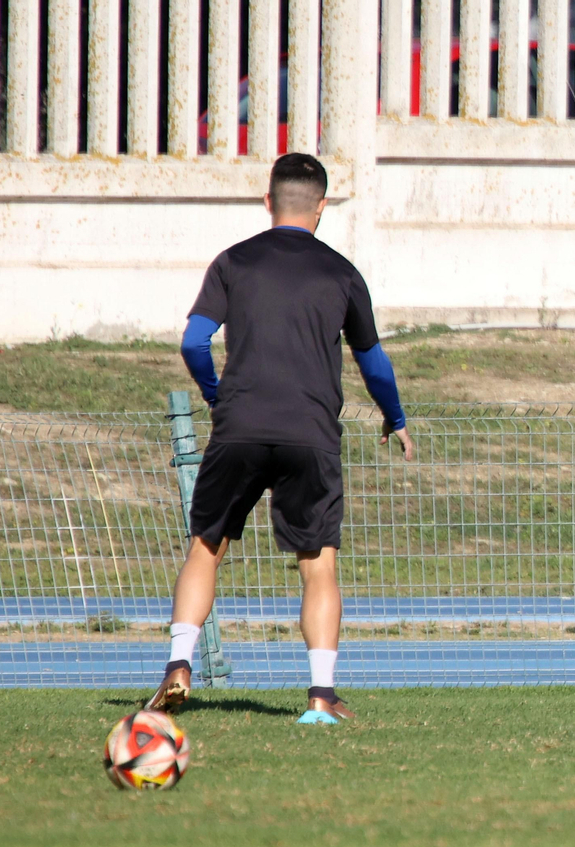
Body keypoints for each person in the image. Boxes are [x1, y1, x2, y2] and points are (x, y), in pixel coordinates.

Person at [146, 153, 414, 725]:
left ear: (268, 202)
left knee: (206, 548)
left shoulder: (233, 262)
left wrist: (217, 396)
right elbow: (373, 361)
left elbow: (194, 342)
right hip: (310, 434)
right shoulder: (342, 273)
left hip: (239, 428)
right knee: (318, 565)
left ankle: (178, 665)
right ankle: (321, 696)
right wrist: (394, 416)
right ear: (322, 207)